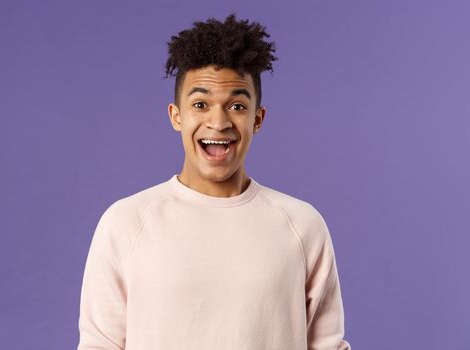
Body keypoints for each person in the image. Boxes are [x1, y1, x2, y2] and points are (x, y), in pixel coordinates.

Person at [78, 13, 351, 350]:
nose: (218, 122)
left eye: (237, 105)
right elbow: (100, 344)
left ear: (258, 118)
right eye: (200, 104)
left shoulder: (303, 225)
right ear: (176, 115)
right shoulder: (125, 223)